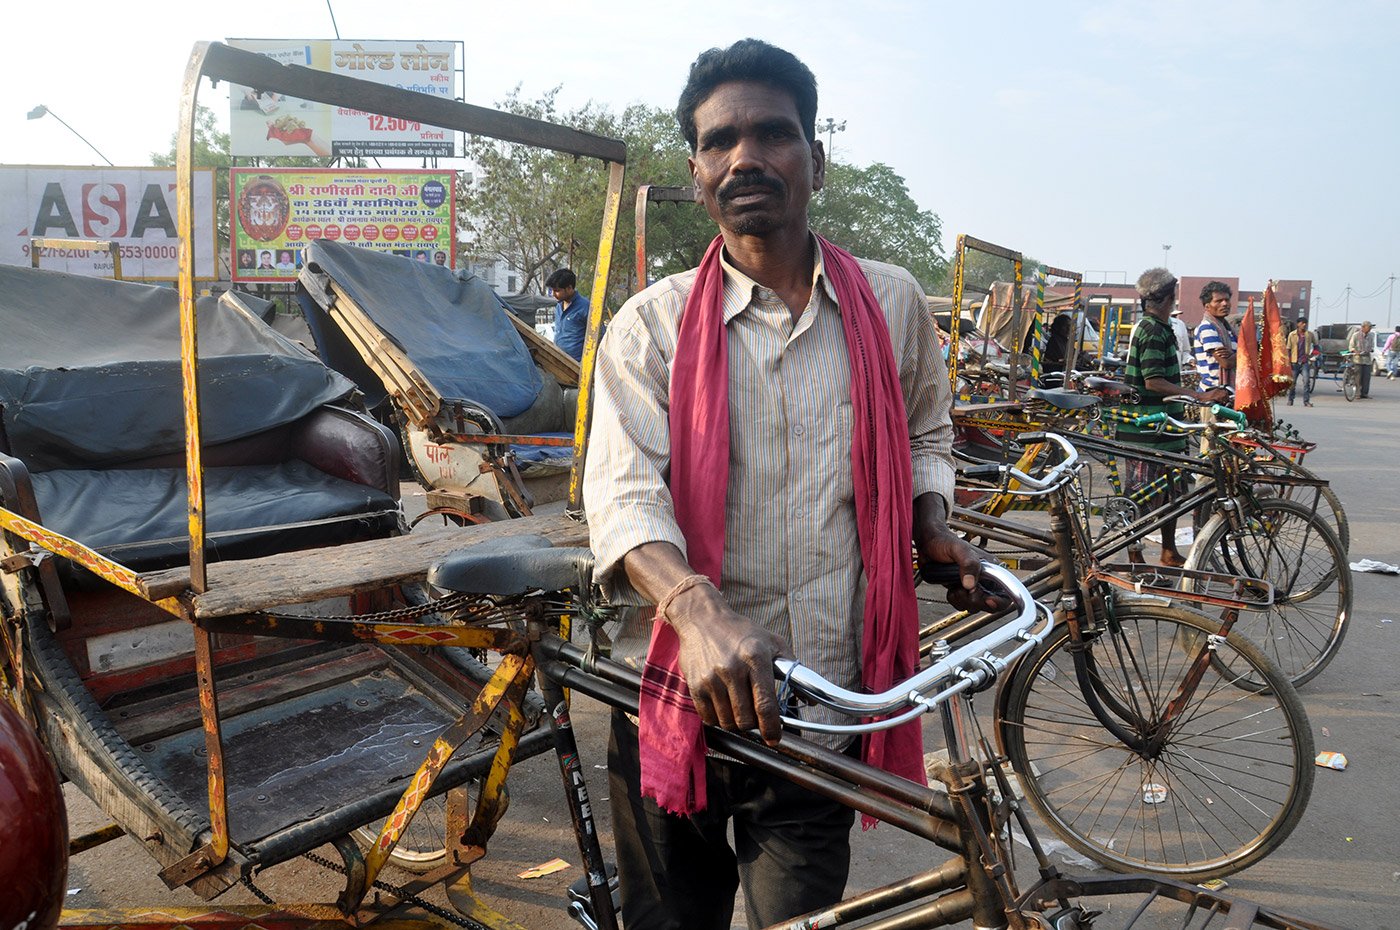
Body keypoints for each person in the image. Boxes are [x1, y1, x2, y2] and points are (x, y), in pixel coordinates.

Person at [582, 39, 997, 930]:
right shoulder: (649, 325)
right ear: (696, 171)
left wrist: (932, 525)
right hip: (673, 698)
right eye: (721, 140)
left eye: (773, 133)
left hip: (820, 703)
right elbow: (623, 495)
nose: (746, 157)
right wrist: (696, 612)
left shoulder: (891, 303)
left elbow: (927, 429)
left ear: (817, 158)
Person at [1120, 268, 1230, 567]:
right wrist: (1199, 396)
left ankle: (1168, 551)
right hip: (1147, 426)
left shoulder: (1163, 326)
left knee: (1173, 491)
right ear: (1169, 297)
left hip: (1166, 425)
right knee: (1142, 494)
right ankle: (1134, 555)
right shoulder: (1151, 330)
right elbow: (1153, 380)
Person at [1193, 280, 1237, 390]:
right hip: (1212, 392)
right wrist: (1244, 353)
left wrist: (1236, 354)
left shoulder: (1229, 330)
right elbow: (1226, 363)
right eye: (1219, 301)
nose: (1225, 304)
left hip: (1229, 391)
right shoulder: (1207, 327)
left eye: (1227, 300)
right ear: (1207, 306)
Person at [545, 267, 591, 361]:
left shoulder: (586, 307)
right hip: (559, 361)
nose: (553, 294)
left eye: (557, 291)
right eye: (552, 290)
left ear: (569, 288)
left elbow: (599, 336)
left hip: (577, 365)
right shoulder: (559, 306)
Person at [1286, 317, 1317, 406]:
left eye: (1305, 323)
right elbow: (1288, 348)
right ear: (1298, 324)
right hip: (1294, 362)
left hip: (1305, 362)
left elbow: (1316, 346)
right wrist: (1288, 361)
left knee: (1306, 382)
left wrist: (1313, 354)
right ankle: (1290, 399)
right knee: (1292, 383)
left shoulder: (1309, 335)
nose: (1304, 325)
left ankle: (1306, 401)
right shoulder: (1292, 335)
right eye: (1302, 323)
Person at [1347, 320, 1375, 398]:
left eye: (1370, 328)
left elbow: (1372, 346)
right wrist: (1355, 351)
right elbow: (1351, 346)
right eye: (1368, 327)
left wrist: (1370, 349)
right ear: (1363, 327)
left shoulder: (1371, 336)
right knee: (1358, 377)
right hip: (1357, 359)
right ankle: (1357, 393)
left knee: (1366, 377)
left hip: (1367, 359)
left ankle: (1365, 393)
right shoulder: (1355, 335)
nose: (1369, 329)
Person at [1169, 306, 1195, 384]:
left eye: (1175, 316)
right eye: (1173, 316)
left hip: (1176, 374)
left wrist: (1190, 360)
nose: (1174, 318)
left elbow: (1184, 351)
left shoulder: (1180, 324)